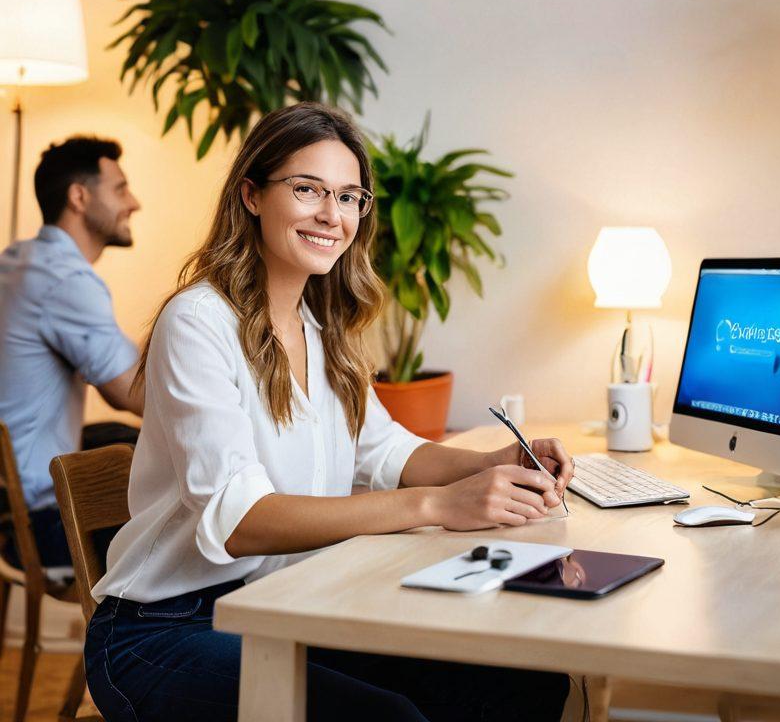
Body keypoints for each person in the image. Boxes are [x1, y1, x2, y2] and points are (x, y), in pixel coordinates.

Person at [85, 103, 573, 722]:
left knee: (521, 683)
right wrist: (437, 506)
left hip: (288, 606)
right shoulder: (199, 322)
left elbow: (387, 453)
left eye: (348, 197)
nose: (331, 215)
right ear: (251, 195)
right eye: (308, 189)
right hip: (164, 632)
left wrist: (496, 463)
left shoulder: (319, 327)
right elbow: (242, 522)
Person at [0, 136, 144, 576]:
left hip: (11, 509)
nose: (133, 202)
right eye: (120, 188)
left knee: (116, 437)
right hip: (46, 528)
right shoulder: (65, 280)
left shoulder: (17, 260)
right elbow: (135, 393)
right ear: (79, 197)